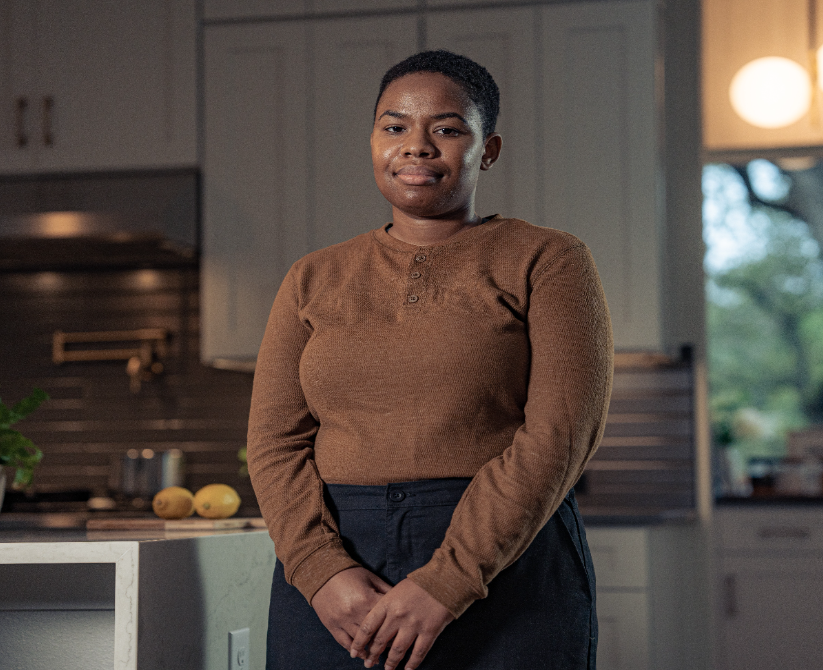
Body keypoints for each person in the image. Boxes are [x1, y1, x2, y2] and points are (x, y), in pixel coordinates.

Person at [248, 49, 613, 670]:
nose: (416, 146)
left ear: (487, 149)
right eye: (395, 127)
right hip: (336, 572)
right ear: (373, 142)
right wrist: (318, 570)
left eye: (446, 129)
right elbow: (273, 442)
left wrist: (446, 582)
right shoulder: (312, 277)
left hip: (506, 560)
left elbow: (560, 435)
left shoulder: (548, 260)